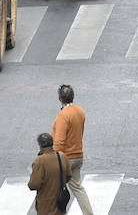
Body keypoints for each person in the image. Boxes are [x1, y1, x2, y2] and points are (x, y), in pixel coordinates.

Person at [53, 84, 93, 215]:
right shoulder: (80, 111)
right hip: (78, 156)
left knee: (52, 189)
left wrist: (54, 159)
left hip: (65, 159)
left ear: (59, 98)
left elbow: (59, 141)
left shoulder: (63, 116)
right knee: (77, 188)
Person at [27, 132, 68, 215]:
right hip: (60, 204)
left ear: (40, 145)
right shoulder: (62, 156)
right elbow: (68, 176)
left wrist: (32, 175)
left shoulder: (39, 161)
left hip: (45, 206)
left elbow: (33, 185)